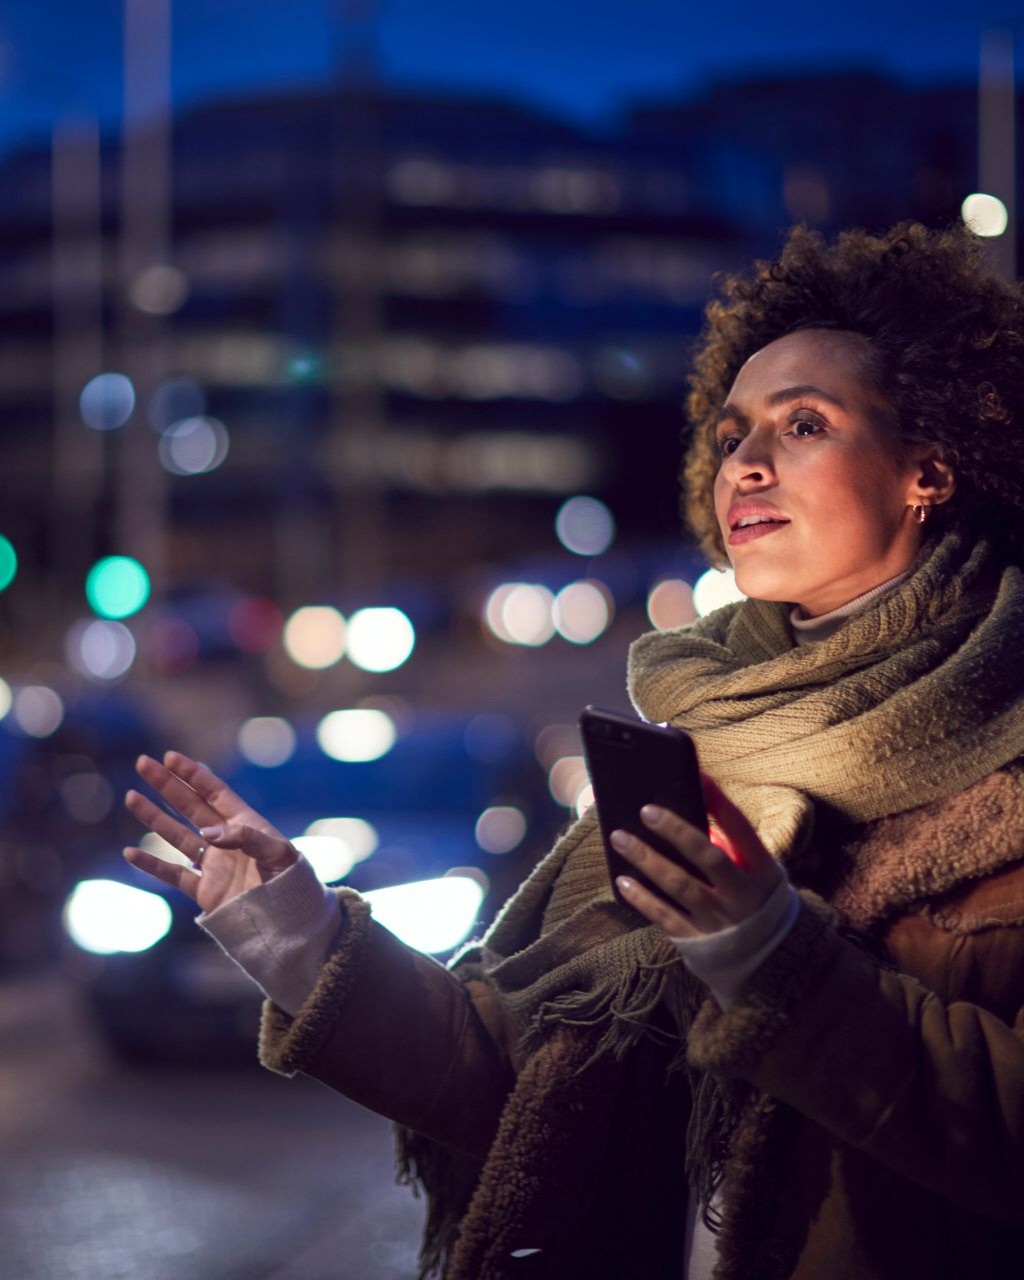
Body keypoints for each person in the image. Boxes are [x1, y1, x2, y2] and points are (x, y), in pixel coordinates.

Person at [124, 220, 1024, 1279]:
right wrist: (298, 934)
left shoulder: (1003, 777)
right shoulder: (708, 750)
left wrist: (774, 962)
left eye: (805, 423)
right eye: (732, 434)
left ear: (928, 466)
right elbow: (522, 1083)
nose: (746, 464)